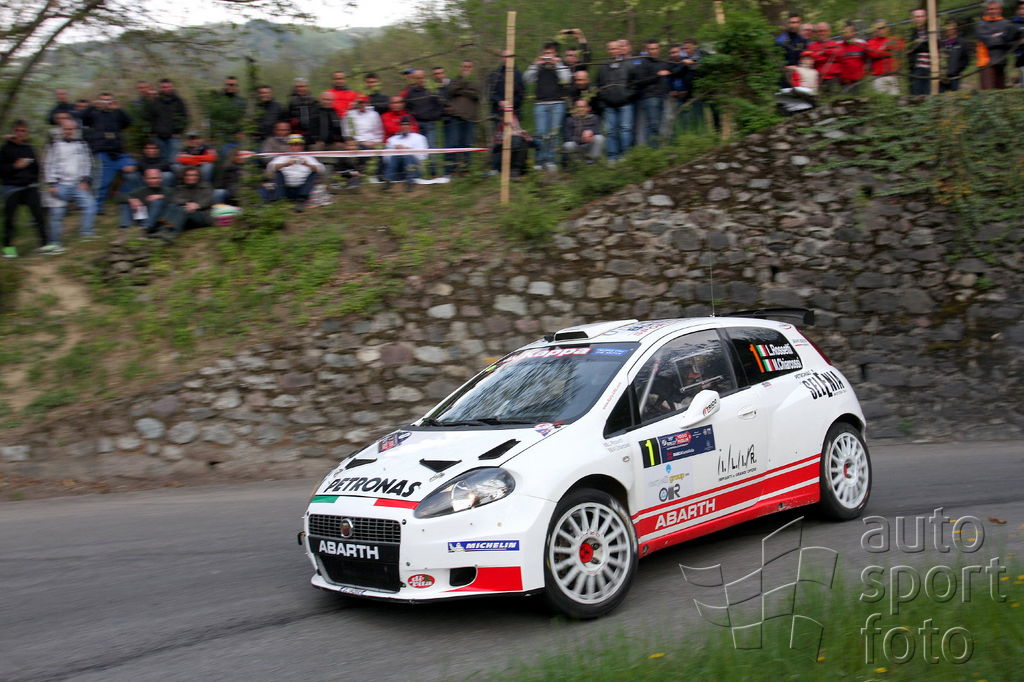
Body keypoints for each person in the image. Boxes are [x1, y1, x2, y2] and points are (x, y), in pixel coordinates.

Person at [44, 119, 96, 251]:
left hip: (78, 184)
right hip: (60, 184)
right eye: (66, 129)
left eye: (71, 129)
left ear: (75, 130)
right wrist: (52, 184)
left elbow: (87, 163)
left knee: (90, 204)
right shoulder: (54, 145)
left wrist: (85, 181)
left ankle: (87, 233)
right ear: (62, 130)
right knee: (56, 214)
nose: (69, 131)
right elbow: (48, 164)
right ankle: (55, 242)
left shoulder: (82, 144)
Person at [80, 92, 136, 214]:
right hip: (102, 151)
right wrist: (92, 106)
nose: (106, 103)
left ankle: (123, 198)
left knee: (132, 171)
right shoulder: (94, 114)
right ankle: (97, 207)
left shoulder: (117, 114)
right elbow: (82, 119)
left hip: (119, 152)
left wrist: (119, 109)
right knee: (103, 182)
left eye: (108, 101)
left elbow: (129, 122)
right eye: (103, 100)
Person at [1, 120, 48, 258]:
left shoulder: (29, 149)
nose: (20, 133)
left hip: (29, 186)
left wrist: (33, 179)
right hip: (12, 187)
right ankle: (8, 249)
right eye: (18, 130)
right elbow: (1, 169)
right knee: (10, 219)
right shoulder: (5, 149)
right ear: (13, 132)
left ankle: (45, 245)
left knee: (39, 215)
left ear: (27, 133)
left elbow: (37, 168)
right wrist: (15, 167)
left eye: (23, 131)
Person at [524, 42, 571, 171]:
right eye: (546, 53)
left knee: (553, 134)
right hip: (540, 104)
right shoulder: (539, 67)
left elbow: (567, 79)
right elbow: (527, 79)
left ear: (555, 54)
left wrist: (557, 64)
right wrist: (535, 64)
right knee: (541, 133)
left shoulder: (560, 66)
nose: (548, 56)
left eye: (550, 53)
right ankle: (539, 161)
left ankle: (551, 160)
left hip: (557, 103)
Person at [597, 39, 636, 162]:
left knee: (625, 130)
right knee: (610, 131)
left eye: (615, 48)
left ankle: (625, 155)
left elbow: (635, 84)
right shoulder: (603, 67)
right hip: (609, 105)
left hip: (625, 103)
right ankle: (612, 156)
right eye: (610, 49)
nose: (613, 51)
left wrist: (628, 96)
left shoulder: (629, 65)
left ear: (620, 49)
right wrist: (605, 98)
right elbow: (599, 85)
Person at [403, 69, 445, 177]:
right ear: (414, 79)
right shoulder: (410, 93)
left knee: (431, 146)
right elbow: (407, 107)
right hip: (417, 124)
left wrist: (435, 116)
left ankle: (433, 172)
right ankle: (418, 173)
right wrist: (413, 116)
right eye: (417, 78)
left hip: (430, 123)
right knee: (417, 148)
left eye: (421, 77)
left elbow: (440, 105)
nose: (420, 80)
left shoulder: (432, 90)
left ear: (425, 77)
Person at [443, 59, 481, 176]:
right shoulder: (455, 80)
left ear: (472, 68)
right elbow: (451, 90)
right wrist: (464, 83)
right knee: (453, 143)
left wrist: (460, 90)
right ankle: (451, 170)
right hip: (456, 116)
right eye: (464, 66)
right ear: (460, 68)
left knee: (467, 144)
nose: (466, 69)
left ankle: (465, 169)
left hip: (469, 117)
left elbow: (476, 94)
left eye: (469, 67)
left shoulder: (475, 81)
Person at [266, 134, 324, 210]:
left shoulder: (308, 157)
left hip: (302, 189)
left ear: (302, 146)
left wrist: (307, 165)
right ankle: (279, 198)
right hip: (285, 188)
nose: (296, 147)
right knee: (278, 173)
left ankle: (302, 199)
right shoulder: (283, 157)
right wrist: (285, 164)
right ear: (289, 146)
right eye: (293, 145)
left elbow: (322, 169)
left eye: (298, 145)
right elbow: (270, 167)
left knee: (314, 173)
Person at [632, 39, 671, 148]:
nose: (653, 51)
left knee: (661, 124)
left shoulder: (663, 62)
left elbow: (674, 71)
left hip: (663, 96)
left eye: (655, 48)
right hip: (650, 97)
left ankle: (658, 148)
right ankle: (652, 150)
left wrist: (685, 64)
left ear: (659, 49)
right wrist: (657, 76)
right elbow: (640, 81)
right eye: (650, 49)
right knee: (653, 124)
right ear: (647, 50)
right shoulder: (643, 63)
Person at [976, 0, 1018, 90]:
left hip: (1001, 62)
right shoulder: (981, 25)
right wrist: (1003, 37)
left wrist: (997, 37)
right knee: (988, 92)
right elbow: (989, 42)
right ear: (986, 10)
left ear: (1000, 10)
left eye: (995, 9)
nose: (992, 11)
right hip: (986, 63)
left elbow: (1012, 42)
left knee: (1000, 92)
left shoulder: (1007, 24)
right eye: (990, 9)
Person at [162, 166, 213, 239]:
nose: (191, 177)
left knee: (183, 210)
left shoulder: (206, 186)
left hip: (202, 216)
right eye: (188, 175)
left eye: (194, 175)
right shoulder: (180, 187)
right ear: (184, 177)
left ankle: (173, 233)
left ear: (198, 177)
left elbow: (208, 201)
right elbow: (175, 199)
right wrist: (189, 203)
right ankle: (163, 230)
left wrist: (197, 205)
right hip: (186, 216)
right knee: (172, 206)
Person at [147, 78, 189, 163]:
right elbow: (150, 117)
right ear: (160, 88)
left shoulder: (178, 101)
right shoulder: (156, 101)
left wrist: (178, 131)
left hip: (173, 137)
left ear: (172, 87)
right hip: (158, 137)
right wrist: (152, 131)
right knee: (161, 162)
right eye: (163, 87)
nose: (166, 89)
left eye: (168, 87)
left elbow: (184, 118)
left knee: (174, 162)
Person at [121, 167, 171, 236]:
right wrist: (132, 200)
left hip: (160, 221)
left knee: (157, 202)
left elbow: (176, 199)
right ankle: (124, 228)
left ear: (161, 179)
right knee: (126, 203)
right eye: (150, 178)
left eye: (155, 178)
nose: (153, 181)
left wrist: (161, 196)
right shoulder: (141, 191)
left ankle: (145, 228)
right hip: (143, 218)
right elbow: (120, 197)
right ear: (145, 179)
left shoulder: (168, 190)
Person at [383, 116, 428, 191]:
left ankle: (410, 182)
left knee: (407, 155)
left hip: (414, 169)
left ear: (411, 126)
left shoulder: (420, 138)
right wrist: (395, 150)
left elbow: (423, 156)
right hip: (397, 171)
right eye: (403, 124)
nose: (405, 127)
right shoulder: (392, 140)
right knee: (395, 155)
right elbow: (385, 159)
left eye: (407, 124)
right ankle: (388, 180)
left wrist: (408, 150)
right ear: (399, 126)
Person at [489, 101, 533, 178]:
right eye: (505, 110)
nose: (508, 112)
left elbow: (526, 138)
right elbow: (497, 143)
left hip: (514, 146)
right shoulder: (500, 122)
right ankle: (513, 170)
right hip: (501, 151)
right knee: (516, 141)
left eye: (509, 110)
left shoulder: (514, 119)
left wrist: (525, 135)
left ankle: (517, 170)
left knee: (522, 142)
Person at [866, 20, 904, 95]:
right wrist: (885, 46)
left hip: (892, 75)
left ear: (887, 28)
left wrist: (884, 48)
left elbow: (901, 46)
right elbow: (874, 54)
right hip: (878, 77)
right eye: (878, 28)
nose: (880, 30)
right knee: (880, 98)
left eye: (882, 28)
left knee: (895, 98)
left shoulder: (893, 39)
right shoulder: (871, 42)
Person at [561, 99, 604, 165]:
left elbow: (597, 132)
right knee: (568, 145)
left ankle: (592, 161)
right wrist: (581, 138)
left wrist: (590, 133)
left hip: (589, 146)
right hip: (576, 147)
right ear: (574, 109)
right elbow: (567, 138)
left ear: (588, 108)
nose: (581, 109)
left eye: (583, 107)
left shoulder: (594, 118)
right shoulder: (570, 120)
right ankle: (578, 163)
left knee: (599, 138)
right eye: (578, 107)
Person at [487, 51, 526, 121]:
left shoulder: (518, 74)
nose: (506, 59)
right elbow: (488, 92)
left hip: (514, 113)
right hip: (497, 113)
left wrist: (510, 102)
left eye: (509, 57)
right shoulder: (495, 74)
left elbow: (522, 94)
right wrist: (499, 101)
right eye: (505, 57)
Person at [808, 23, 842, 95]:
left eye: (824, 31)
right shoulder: (812, 46)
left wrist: (823, 52)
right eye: (820, 31)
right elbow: (813, 59)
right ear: (816, 33)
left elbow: (839, 56)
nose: (822, 33)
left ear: (829, 32)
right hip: (818, 80)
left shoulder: (835, 44)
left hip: (834, 79)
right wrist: (828, 54)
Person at [940, 20, 972, 93]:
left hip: (955, 76)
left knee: (954, 94)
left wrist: (958, 69)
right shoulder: (942, 43)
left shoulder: (961, 42)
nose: (950, 29)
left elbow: (966, 58)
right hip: (942, 77)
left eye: (952, 27)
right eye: (948, 27)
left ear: (956, 28)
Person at [837, 23, 868, 93]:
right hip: (844, 83)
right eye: (844, 32)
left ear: (854, 32)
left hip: (859, 81)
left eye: (848, 31)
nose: (846, 34)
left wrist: (866, 73)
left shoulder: (862, 44)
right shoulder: (838, 45)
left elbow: (868, 59)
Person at [907, 8, 932, 95]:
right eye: (917, 17)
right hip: (916, 69)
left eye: (922, 16)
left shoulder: (931, 31)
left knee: (929, 94)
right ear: (913, 18)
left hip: (930, 69)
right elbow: (909, 49)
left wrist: (920, 44)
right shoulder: (910, 33)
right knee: (916, 95)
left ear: (926, 17)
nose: (919, 19)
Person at [1015, 3, 1024, 88]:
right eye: (1021, 9)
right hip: (1021, 56)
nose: (1022, 11)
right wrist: (1019, 42)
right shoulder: (1014, 24)